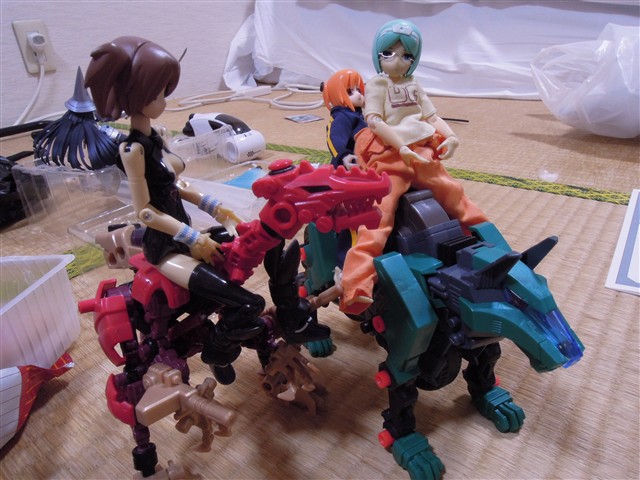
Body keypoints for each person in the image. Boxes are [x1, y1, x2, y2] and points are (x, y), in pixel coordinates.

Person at [85, 36, 269, 384]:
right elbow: (145, 212)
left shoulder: (157, 136)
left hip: (186, 235)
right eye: (158, 94)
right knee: (249, 304)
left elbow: (176, 185)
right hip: (166, 249)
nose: (164, 100)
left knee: (245, 245)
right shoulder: (132, 151)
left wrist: (217, 209)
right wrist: (192, 238)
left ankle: (222, 331)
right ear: (136, 96)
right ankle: (217, 351)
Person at [339, 20, 489, 315]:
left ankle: (489, 246)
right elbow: (374, 121)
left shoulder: (414, 84)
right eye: (388, 54)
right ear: (378, 56)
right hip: (390, 156)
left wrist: (452, 137)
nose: (397, 60)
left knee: (455, 195)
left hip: (422, 152)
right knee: (379, 217)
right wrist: (401, 147)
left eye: (406, 55)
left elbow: (431, 117)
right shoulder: (377, 84)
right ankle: (356, 285)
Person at [322, 69, 367, 170]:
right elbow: (335, 138)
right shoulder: (342, 117)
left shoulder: (356, 113)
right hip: (348, 165)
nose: (358, 94)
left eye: (358, 90)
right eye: (350, 92)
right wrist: (344, 155)